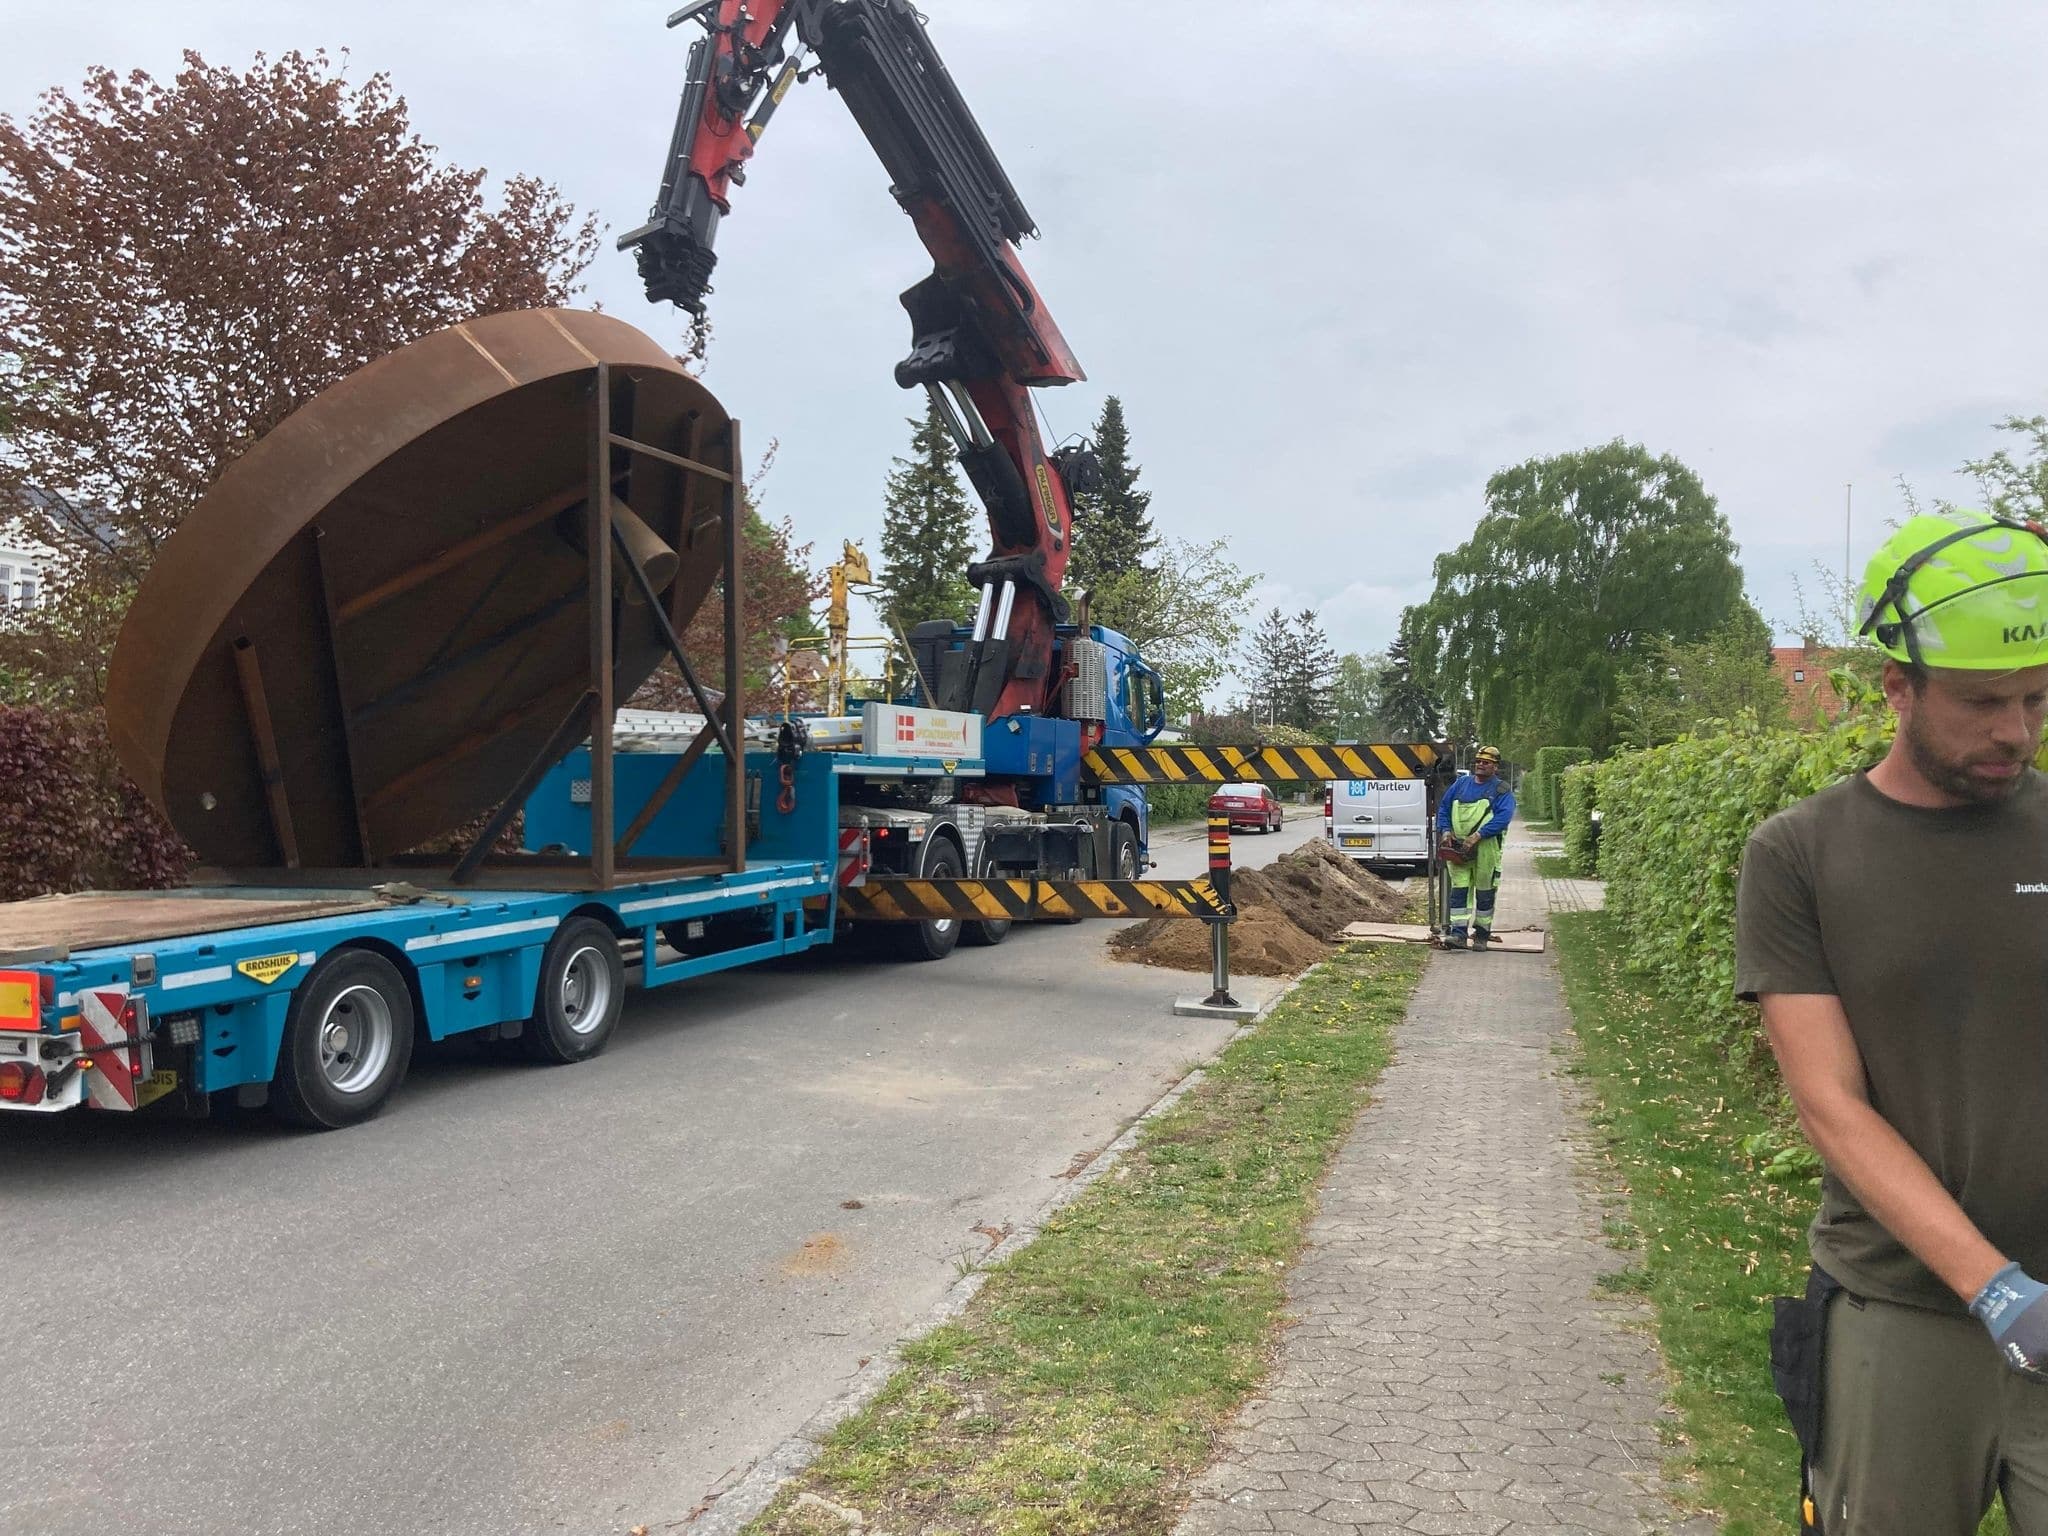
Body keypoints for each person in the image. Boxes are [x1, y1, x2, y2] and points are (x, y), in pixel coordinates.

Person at [1737, 509, 2048, 1535]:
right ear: (1896, 688)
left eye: (2036, 698)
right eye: (1981, 701)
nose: (2014, 731)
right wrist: (1996, 1290)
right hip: (1900, 1310)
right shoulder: (1799, 856)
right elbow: (1829, 1104)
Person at [1435, 744, 1514, 950]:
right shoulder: (1461, 784)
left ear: (1495, 767)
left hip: (1486, 849)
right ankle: (1458, 935)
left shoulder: (1501, 790)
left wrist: (1479, 835)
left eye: (1486, 762)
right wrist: (1446, 831)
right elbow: (1444, 808)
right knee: (1459, 891)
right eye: (1478, 761)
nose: (1480, 765)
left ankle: (1481, 935)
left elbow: (1503, 818)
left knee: (1485, 892)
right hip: (1458, 848)